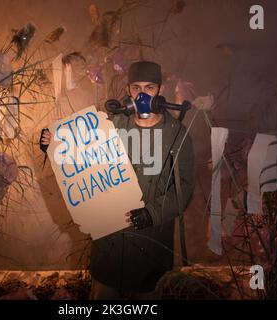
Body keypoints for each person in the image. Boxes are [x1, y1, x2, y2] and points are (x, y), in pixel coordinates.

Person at [39, 61, 195, 299]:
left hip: (150, 242)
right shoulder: (110, 125)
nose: (142, 94)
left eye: (150, 87)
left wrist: (152, 213)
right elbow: (82, 159)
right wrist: (54, 146)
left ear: (160, 90)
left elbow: (184, 188)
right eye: (136, 87)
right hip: (110, 244)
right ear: (128, 90)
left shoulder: (176, 133)